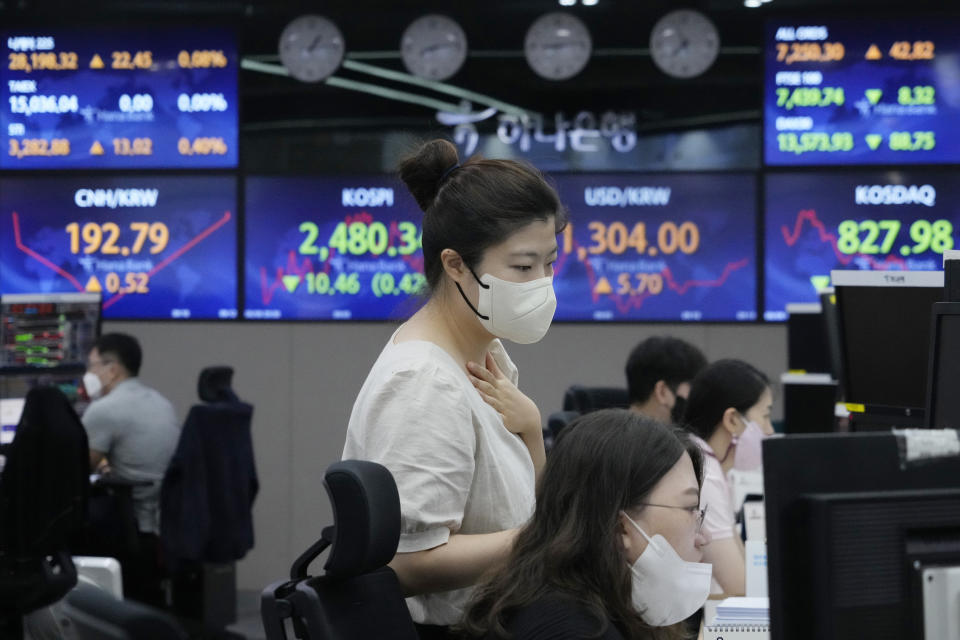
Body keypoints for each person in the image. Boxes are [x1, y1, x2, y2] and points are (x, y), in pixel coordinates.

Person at [342, 139, 566, 637]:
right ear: (455, 265)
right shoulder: (423, 381)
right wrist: (552, 537)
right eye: (523, 267)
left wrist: (532, 435)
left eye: (549, 264)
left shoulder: (484, 353)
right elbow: (410, 563)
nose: (542, 283)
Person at [461, 409, 711, 640]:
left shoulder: (606, 605)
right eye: (690, 509)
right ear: (621, 527)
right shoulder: (570, 630)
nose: (703, 537)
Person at [81, 332, 180, 604]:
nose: (88, 373)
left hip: (130, 525)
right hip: (162, 522)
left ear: (111, 369)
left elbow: (74, 469)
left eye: (92, 366)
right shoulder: (161, 402)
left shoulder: (106, 409)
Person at [680, 359, 774, 597]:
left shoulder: (710, 464)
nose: (769, 429)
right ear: (732, 419)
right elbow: (741, 588)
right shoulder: (705, 475)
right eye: (764, 416)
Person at [626, 337, 708, 424]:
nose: (697, 405)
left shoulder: (612, 433)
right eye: (693, 395)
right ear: (662, 392)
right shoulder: (687, 435)